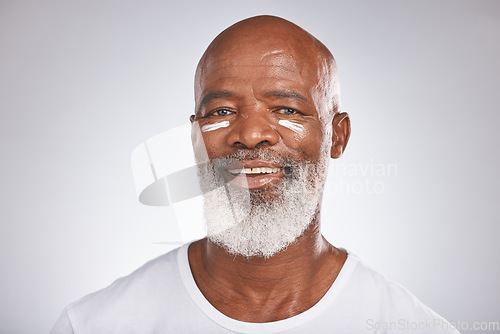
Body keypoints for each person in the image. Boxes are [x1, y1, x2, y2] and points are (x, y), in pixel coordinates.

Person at [51, 15, 460, 334]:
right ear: (195, 138)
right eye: (222, 112)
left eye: (286, 109)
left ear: (337, 136)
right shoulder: (94, 325)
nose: (249, 135)